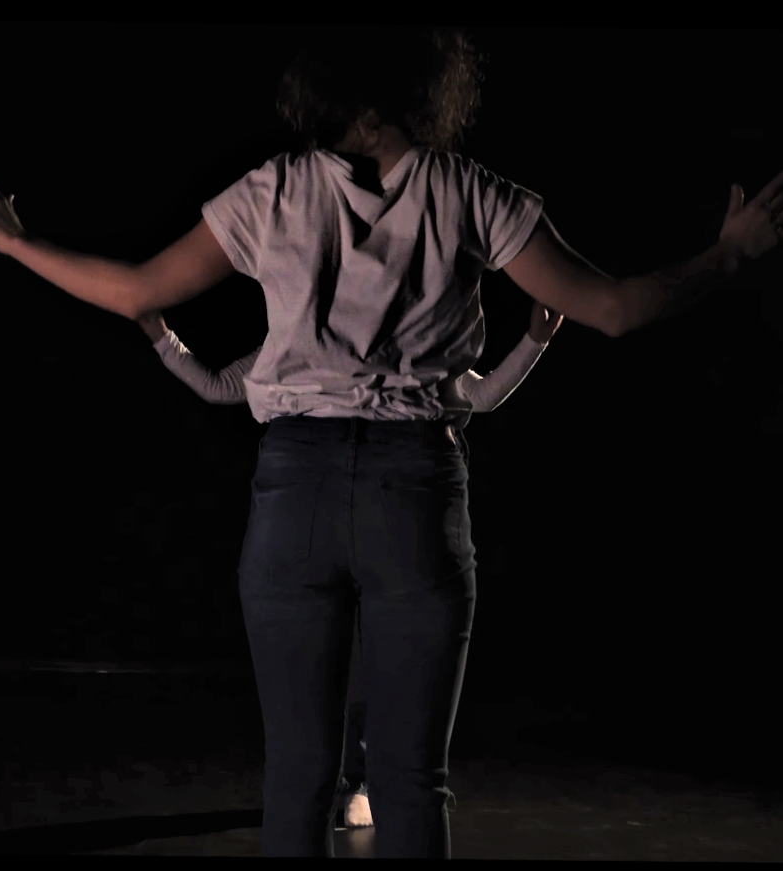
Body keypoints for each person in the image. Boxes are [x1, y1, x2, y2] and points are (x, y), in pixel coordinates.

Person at [0, 25, 783, 859]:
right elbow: (610, 310)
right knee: (409, 781)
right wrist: (727, 257)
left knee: (298, 777)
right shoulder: (467, 190)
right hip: (413, 489)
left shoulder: (273, 190)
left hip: (296, 490)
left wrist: (16, 244)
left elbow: (137, 292)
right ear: (424, 89)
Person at [136, 298, 566, 831]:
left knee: (365, 657)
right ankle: (344, 784)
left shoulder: (400, 338)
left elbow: (479, 394)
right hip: (349, 487)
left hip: (364, 486)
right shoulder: (304, 337)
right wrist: (158, 331)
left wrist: (536, 339)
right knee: (341, 659)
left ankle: (353, 782)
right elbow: (220, 386)